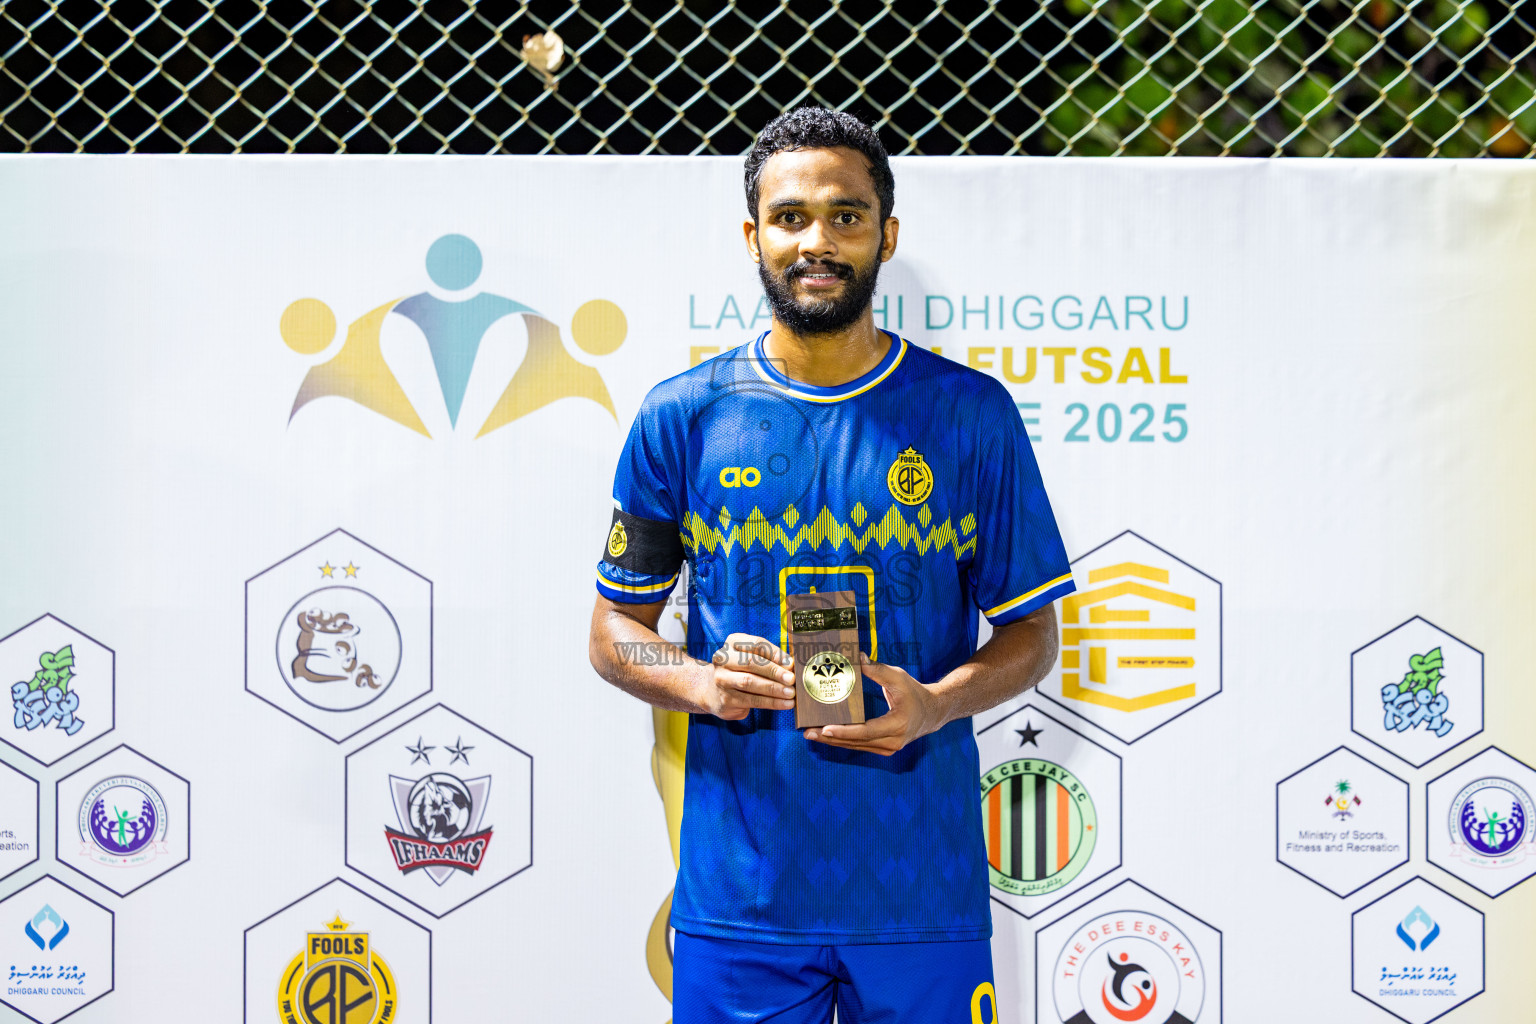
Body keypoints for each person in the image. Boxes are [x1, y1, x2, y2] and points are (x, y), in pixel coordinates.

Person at [588, 107, 1074, 1023]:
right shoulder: (681, 415)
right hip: (743, 900)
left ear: (886, 235)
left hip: (921, 893)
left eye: (846, 216)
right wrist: (699, 680)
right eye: (791, 217)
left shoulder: (970, 413)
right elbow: (616, 634)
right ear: (754, 237)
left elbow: (1032, 635)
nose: (818, 241)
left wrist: (936, 703)